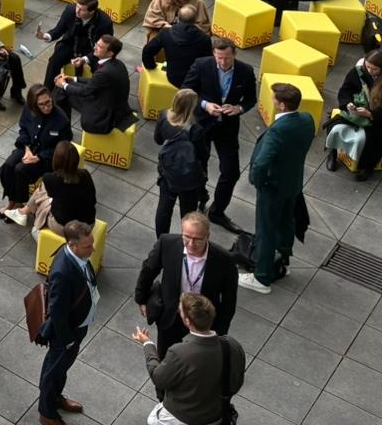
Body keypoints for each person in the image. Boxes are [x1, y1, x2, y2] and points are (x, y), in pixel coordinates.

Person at [240, 82, 314, 294]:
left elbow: (262, 163)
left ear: (282, 105)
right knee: (286, 222)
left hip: (273, 187)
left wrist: (256, 180)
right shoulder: (307, 119)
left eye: (274, 99)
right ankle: (283, 261)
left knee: (266, 230)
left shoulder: (278, 131)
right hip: (293, 182)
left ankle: (262, 277)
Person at [133, 214, 238, 359]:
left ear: (208, 236)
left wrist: (219, 332)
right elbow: (149, 270)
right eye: (186, 237)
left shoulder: (224, 260)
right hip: (171, 315)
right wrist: (141, 298)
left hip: (202, 322)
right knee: (166, 357)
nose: (190, 244)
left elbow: (229, 300)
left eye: (197, 239)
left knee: (198, 360)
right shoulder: (167, 243)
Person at [180, 36, 256, 232]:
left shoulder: (245, 71)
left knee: (231, 172)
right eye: (219, 58)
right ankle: (200, 197)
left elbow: (250, 99)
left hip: (228, 127)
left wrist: (239, 108)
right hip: (202, 125)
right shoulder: (201, 65)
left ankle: (217, 212)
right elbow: (186, 90)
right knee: (198, 167)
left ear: (234, 55)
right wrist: (205, 105)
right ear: (214, 54)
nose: (223, 62)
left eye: (227, 58)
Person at [133, 293, 245, 425]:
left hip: (182, 417)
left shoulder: (179, 352)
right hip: (216, 415)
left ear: (187, 321)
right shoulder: (231, 345)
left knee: (153, 420)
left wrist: (148, 344)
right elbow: (237, 382)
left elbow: (158, 378)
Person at [37, 219, 98, 425]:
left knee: (60, 367)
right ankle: (47, 412)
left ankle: (55, 398)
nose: (92, 248)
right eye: (87, 246)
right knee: (53, 370)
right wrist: (68, 340)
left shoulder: (75, 256)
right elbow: (58, 312)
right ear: (72, 245)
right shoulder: (63, 273)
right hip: (67, 333)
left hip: (76, 327)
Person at [0, 84, 72, 226]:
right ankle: (11, 202)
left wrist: (39, 157)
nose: (46, 107)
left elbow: (62, 147)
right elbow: (23, 128)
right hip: (29, 148)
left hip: (47, 157)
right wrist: (26, 149)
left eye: (48, 102)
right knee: (7, 166)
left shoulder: (61, 120)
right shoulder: (28, 109)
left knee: (20, 170)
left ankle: (18, 204)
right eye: (41, 104)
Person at [55, 34, 136, 136]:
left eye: (100, 47)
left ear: (110, 53)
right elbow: (95, 82)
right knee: (64, 87)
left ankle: (61, 131)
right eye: (96, 44)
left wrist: (63, 84)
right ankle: (61, 129)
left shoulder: (105, 71)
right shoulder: (118, 64)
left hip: (104, 114)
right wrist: (74, 79)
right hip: (108, 102)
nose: (95, 47)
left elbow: (85, 91)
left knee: (61, 90)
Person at [152, 88, 208, 235]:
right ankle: (186, 241)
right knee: (188, 214)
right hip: (189, 179)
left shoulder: (164, 115)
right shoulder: (196, 129)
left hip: (167, 173)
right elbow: (203, 156)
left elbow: (158, 139)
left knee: (164, 208)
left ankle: (162, 241)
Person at [325, 48, 382, 179]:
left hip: (376, 119)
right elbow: (345, 91)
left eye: (374, 69)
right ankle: (333, 152)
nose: (370, 71)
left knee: (373, 141)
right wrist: (348, 104)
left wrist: (370, 114)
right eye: (368, 67)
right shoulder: (358, 72)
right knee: (335, 127)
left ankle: (368, 167)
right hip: (355, 113)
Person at [141, 0, 210, 44]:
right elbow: (152, 16)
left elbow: (203, 24)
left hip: (188, 33)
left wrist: (188, 29)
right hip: (164, 29)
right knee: (153, 43)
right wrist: (165, 25)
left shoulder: (197, 2)